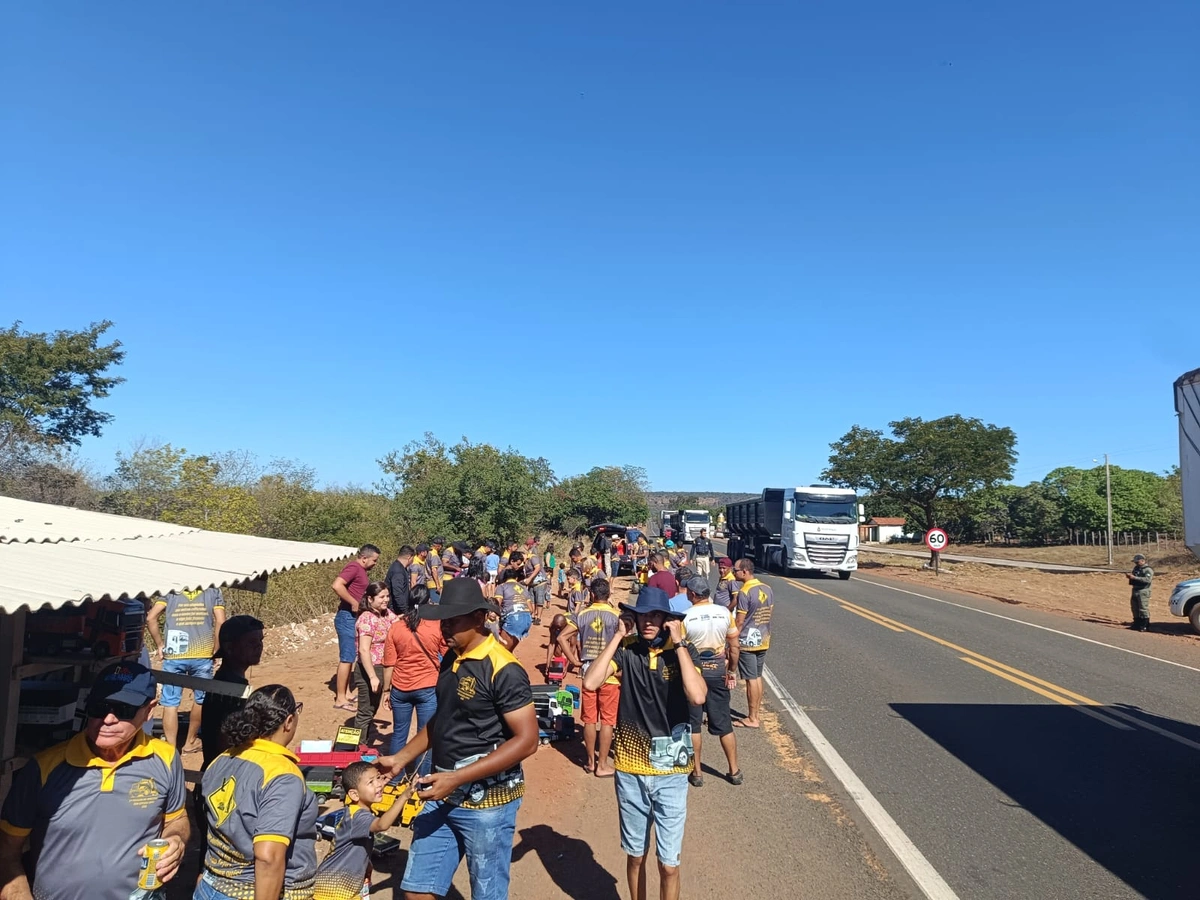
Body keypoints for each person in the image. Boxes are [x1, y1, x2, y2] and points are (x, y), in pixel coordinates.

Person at [375, 579, 539, 900]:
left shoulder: (504, 669)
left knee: (487, 893)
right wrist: (399, 758)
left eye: (453, 620)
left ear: (479, 618)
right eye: (443, 621)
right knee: (418, 891)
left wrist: (458, 778)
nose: (445, 628)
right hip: (441, 795)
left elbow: (527, 740)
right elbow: (444, 719)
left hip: (487, 804)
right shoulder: (452, 657)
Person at [0, 662, 190, 900]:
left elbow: (177, 818)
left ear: (149, 710)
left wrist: (176, 838)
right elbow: (6, 850)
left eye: (123, 709)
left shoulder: (166, 758)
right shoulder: (43, 768)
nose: (108, 719)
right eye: (99, 707)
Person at [583, 587, 707, 900]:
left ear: (667, 619)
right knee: (636, 856)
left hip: (672, 770)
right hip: (630, 768)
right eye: (642, 615)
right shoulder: (626, 649)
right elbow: (590, 682)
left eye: (655, 615)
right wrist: (616, 636)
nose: (648, 622)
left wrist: (678, 644)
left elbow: (697, 696)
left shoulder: (683, 652)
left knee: (668, 863)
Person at [197, 685, 317, 900]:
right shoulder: (282, 775)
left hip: (211, 885)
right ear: (288, 721)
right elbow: (268, 856)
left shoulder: (222, 759)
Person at [147, 585, 227, 753]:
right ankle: (190, 741)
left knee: (170, 703)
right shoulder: (212, 590)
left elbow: (151, 618)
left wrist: (160, 645)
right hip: (202, 653)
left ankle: (170, 748)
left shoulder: (170, 589)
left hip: (174, 654)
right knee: (200, 699)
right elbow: (220, 621)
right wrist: (216, 648)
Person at [311, 762, 409, 900]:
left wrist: (366, 863)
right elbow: (382, 825)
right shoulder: (358, 817)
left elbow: (357, 846)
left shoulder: (355, 811)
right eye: (371, 782)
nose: (379, 784)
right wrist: (404, 797)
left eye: (379, 778)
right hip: (334, 890)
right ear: (354, 794)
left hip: (341, 888)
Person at [557, 578, 622, 777]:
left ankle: (590, 762)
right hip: (609, 673)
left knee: (589, 720)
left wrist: (574, 662)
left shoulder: (581, 615)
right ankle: (603, 764)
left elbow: (561, 637)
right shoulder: (616, 616)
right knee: (608, 721)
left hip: (587, 672)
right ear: (608, 595)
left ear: (591, 595)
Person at [681, 576, 741, 787]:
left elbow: (679, 648)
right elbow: (734, 647)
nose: (686, 594)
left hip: (694, 673)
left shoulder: (685, 617)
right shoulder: (724, 612)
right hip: (717, 670)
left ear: (694, 595)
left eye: (688, 592)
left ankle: (697, 773)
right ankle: (734, 770)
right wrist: (731, 671)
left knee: (693, 724)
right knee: (724, 723)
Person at [382, 584, 446, 779]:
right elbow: (446, 653)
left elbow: (389, 663)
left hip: (400, 687)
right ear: (428, 602)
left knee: (399, 733)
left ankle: (395, 777)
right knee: (425, 735)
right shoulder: (436, 625)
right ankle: (421, 779)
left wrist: (387, 690)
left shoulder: (396, 627)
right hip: (427, 686)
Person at [199, 615, 265, 771]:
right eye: (251, 642)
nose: (259, 646)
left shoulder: (228, 681)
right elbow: (226, 742)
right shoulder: (229, 688)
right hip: (224, 776)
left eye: (260, 641)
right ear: (229, 648)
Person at [332, 545, 382, 710]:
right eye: (374, 560)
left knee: (351, 655)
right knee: (347, 657)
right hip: (346, 617)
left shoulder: (361, 571)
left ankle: (345, 693)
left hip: (352, 617)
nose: (375, 563)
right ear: (364, 557)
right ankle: (340, 698)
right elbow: (337, 585)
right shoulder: (354, 567)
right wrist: (353, 603)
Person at [733, 558, 774, 729]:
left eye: (735, 570)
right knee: (757, 677)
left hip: (747, 641)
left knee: (750, 680)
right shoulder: (767, 588)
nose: (733, 573)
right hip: (763, 638)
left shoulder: (744, 592)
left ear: (744, 571)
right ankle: (756, 714)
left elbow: (740, 621)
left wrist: (731, 638)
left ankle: (752, 717)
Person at [355, 581, 398, 741]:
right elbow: (363, 649)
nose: (386, 600)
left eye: (387, 596)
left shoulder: (386, 614)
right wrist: (372, 676)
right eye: (381, 597)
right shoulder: (367, 619)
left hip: (382, 666)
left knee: (373, 708)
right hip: (369, 669)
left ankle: (362, 742)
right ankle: (357, 747)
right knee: (366, 710)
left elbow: (398, 624)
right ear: (370, 599)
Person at [495, 562, 534, 650]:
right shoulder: (523, 588)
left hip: (513, 619)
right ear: (516, 578)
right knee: (509, 649)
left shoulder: (502, 587)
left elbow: (496, 605)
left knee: (501, 650)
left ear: (504, 579)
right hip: (527, 620)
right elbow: (531, 609)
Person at [1128, 553, 1154, 632]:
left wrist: (1135, 578)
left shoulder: (1147, 570)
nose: (1136, 563)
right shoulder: (1136, 568)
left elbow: (1147, 580)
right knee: (1134, 608)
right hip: (1135, 589)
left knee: (1143, 608)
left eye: (1137, 562)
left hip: (1143, 591)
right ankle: (1136, 623)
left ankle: (1145, 625)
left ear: (1143, 561)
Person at [386, 545, 415, 615]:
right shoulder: (398, 570)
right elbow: (398, 592)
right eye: (413, 558)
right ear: (409, 557)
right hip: (396, 611)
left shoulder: (400, 568)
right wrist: (406, 611)